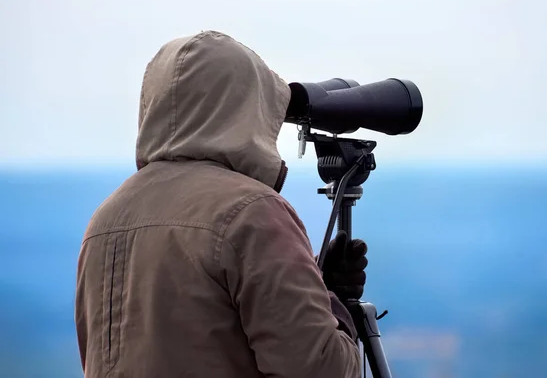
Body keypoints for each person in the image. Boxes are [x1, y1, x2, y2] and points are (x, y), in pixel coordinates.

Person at [75, 30, 369, 378]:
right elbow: (321, 369)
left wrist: (316, 286)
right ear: (249, 109)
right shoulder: (252, 212)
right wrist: (334, 306)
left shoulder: (107, 218)